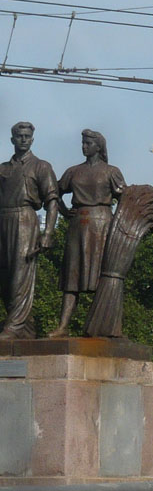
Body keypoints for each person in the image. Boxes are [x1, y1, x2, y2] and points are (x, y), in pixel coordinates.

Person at [48, 130, 125, 338]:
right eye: (82, 143)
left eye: (88, 143)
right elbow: (54, 193)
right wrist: (64, 211)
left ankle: (107, 326)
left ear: (98, 146)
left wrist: (119, 227)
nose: (84, 147)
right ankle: (62, 326)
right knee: (72, 278)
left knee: (103, 276)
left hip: (103, 225)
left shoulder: (111, 172)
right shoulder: (73, 171)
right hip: (77, 225)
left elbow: (124, 199)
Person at [0, 122, 58, 339]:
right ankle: (25, 328)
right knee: (4, 277)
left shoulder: (41, 167)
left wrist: (48, 233)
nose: (23, 139)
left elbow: (52, 200)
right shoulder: (3, 168)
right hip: (2, 220)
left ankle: (13, 326)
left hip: (24, 220)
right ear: (12, 140)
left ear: (32, 140)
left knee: (20, 274)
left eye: (27, 136)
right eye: (19, 136)